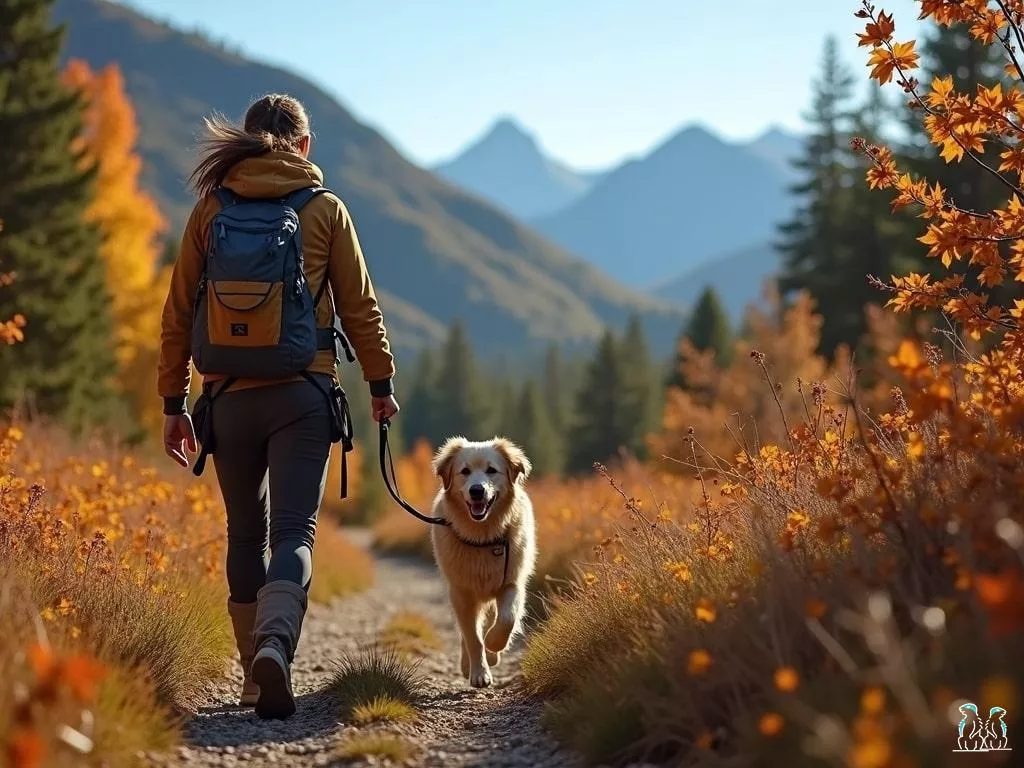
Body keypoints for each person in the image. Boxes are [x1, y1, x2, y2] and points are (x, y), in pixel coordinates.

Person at [157, 94, 399, 719]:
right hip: (303, 396)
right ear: (305, 146)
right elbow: (360, 308)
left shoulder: (213, 207)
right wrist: (380, 386)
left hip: (227, 398)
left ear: (244, 140)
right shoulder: (325, 209)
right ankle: (275, 645)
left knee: (244, 531)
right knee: (293, 532)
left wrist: (171, 401)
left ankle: (248, 678)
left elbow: (179, 309)